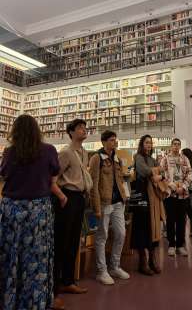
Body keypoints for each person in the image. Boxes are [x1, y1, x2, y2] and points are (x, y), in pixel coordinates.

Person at [0, 115, 63, 310]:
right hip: (38, 210)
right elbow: (55, 173)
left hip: (12, 209)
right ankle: (36, 301)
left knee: (12, 256)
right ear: (37, 130)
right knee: (38, 257)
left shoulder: (10, 152)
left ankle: (11, 299)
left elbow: (3, 173)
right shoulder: (49, 150)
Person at [53, 119, 89, 304]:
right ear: (71, 132)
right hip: (67, 198)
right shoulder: (66, 152)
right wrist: (61, 196)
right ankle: (55, 284)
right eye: (80, 128)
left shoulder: (83, 153)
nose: (84, 130)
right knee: (62, 240)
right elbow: (53, 178)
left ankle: (68, 281)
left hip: (79, 198)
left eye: (85, 128)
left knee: (74, 240)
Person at [89, 130, 130, 285]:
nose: (115, 142)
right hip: (104, 203)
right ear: (104, 142)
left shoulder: (117, 158)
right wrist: (97, 207)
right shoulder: (96, 158)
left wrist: (124, 196)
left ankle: (114, 266)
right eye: (112, 140)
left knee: (121, 233)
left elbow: (120, 180)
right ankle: (102, 271)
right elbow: (93, 185)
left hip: (118, 203)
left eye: (115, 140)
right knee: (102, 237)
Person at [131, 135, 167, 275]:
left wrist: (158, 174)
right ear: (141, 144)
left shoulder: (152, 159)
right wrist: (156, 173)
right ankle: (143, 261)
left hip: (153, 198)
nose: (149, 145)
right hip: (142, 197)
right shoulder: (138, 156)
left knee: (153, 227)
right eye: (146, 142)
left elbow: (162, 172)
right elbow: (144, 171)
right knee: (142, 228)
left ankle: (152, 259)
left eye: (150, 143)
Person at [161, 138, 192, 256]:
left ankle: (180, 245)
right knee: (170, 220)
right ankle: (171, 245)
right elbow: (163, 174)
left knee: (181, 221)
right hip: (170, 195)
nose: (176, 146)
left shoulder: (185, 159)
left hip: (183, 195)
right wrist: (174, 187)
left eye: (178, 144)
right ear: (171, 145)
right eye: (174, 144)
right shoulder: (165, 159)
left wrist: (183, 187)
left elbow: (189, 173)